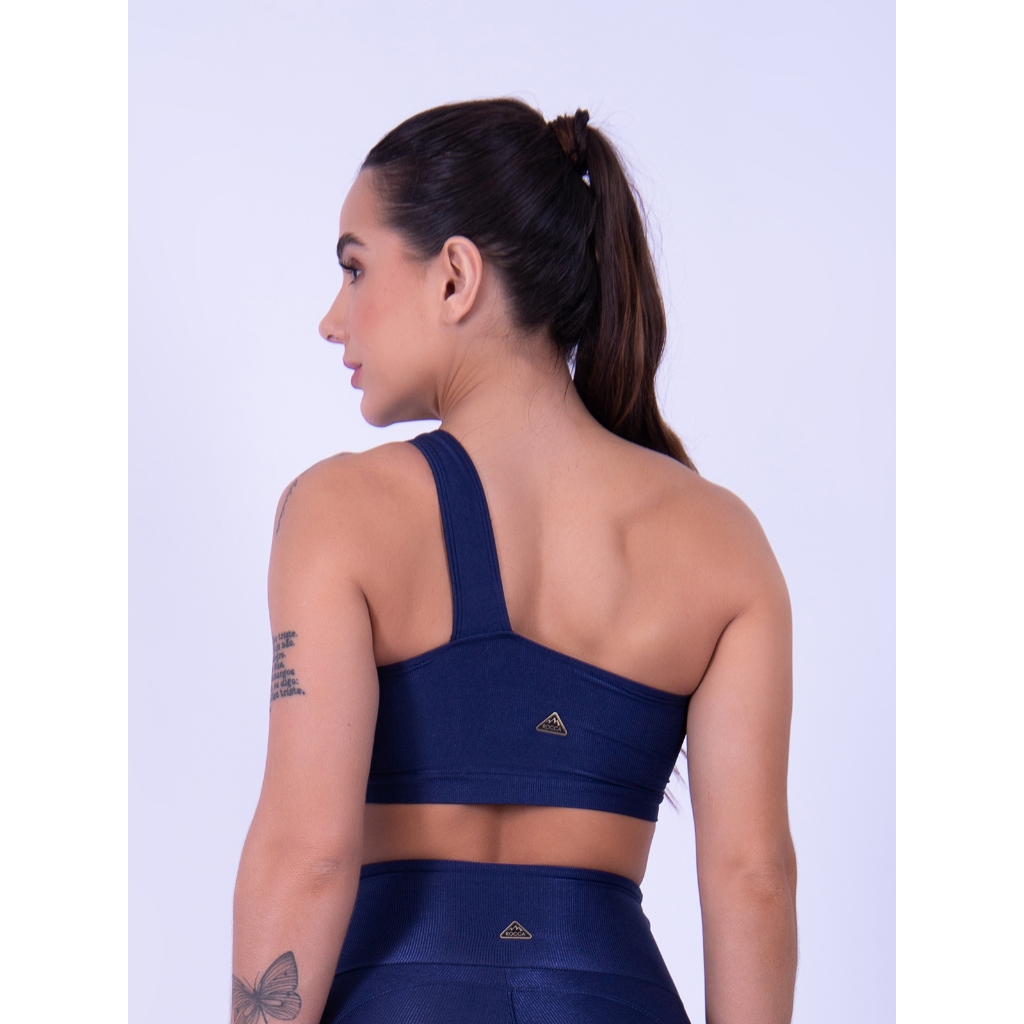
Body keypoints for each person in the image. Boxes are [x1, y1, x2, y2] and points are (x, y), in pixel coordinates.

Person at [230, 99, 797, 1024]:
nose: (333, 320)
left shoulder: (338, 512)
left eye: (354, 268)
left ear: (456, 276)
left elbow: (307, 854)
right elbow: (754, 878)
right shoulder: (721, 538)